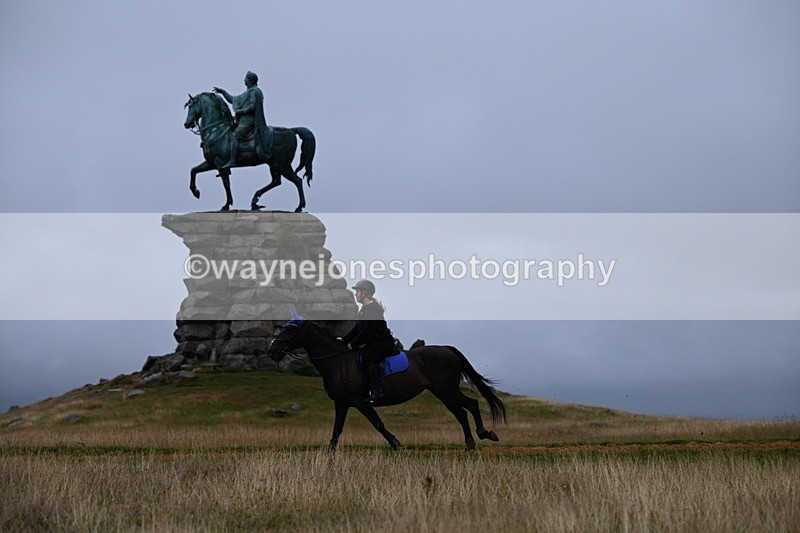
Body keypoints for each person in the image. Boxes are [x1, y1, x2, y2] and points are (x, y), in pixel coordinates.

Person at [337, 280, 394, 404]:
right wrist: (345, 339)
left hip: (383, 342)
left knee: (367, 359)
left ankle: (376, 391)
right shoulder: (364, 309)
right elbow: (358, 328)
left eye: (357, 291)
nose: (356, 294)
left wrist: (353, 344)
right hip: (375, 342)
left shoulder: (372, 310)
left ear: (365, 293)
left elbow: (367, 332)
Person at [212, 71, 273, 168]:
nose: (244, 80)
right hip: (242, 121)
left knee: (235, 135)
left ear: (249, 80)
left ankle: (232, 161)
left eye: (246, 78)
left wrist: (241, 112)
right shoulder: (247, 93)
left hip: (249, 122)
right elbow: (233, 99)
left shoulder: (255, 92)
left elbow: (252, 107)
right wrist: (223, 92)